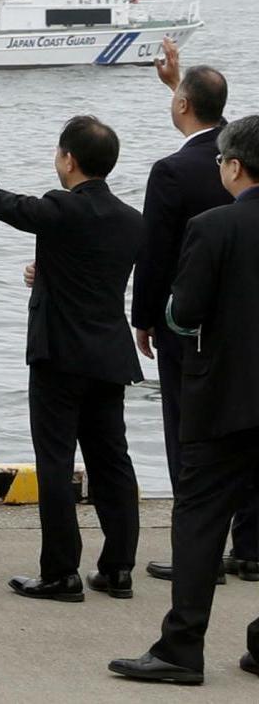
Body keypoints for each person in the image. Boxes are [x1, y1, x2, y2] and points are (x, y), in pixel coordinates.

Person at [0, 112, 143, 601]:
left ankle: (61, 572)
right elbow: (93, 269)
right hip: (109, 355)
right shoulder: (131, 221)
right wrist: (48, 271)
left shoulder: (61, 207)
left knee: (55, 462)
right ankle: (118, 567)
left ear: (69, 159)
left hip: (59, 356)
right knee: (112, 460)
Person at [111, 115, 259, 685]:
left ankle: (182, 647)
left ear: (235, 166)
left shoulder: (214, 227)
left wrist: (168, 312)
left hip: (222, 397)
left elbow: (183, 312)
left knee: (198, 520)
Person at [130, 40, 248, 581]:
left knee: (189, 433)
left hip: (191, 324)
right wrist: (177, 84)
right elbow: (215, 130)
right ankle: (248, 546)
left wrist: (143, 316)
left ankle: (194, 551)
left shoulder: (171, 171)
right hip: (247, 321)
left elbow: (155, 253)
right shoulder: (244, 158)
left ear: (182, 105)